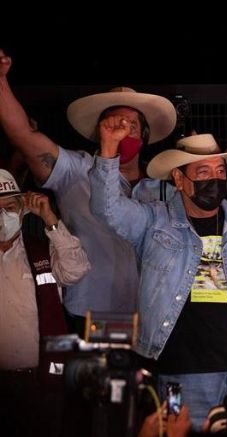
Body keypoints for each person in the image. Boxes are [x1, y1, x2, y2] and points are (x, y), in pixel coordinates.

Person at [90, 130, 227, 427]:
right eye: (203, 171)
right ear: (179, 179)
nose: (215, 179)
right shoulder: (154, 220)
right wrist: (108, 148)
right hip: (183, 375)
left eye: (220, 171)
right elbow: (108, 211)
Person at [0, 50, 176, 333]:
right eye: (114, 123)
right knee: (105, 378)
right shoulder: (75, 170)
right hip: (97, 312)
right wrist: (1, 80)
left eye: (132, 125)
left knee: (150, 379)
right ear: (99, 132)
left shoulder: (165, 186)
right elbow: (23, 135)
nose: (122, 130)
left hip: (156, 312)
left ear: (145, 135)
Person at [0, 169, 90, 437]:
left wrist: (51, 218)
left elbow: (76, 271)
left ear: (22, 211)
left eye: (9, 207)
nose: (3, 215)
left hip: (41, 382)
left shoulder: (41, 250)